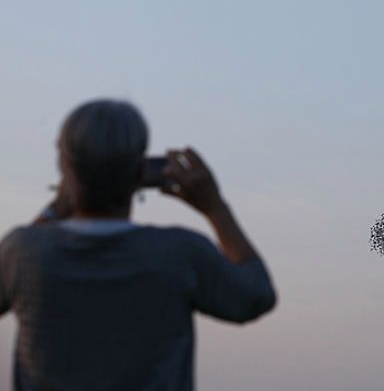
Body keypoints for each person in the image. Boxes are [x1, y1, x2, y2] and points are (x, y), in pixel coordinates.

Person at [0, 99, 277, 391]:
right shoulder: (180, 253)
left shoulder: (25, 253)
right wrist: (216, 208)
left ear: (64, 165)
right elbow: (256, 296)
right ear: (141, 172)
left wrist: (57, 206)